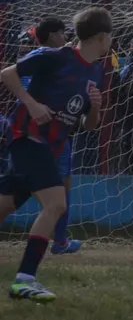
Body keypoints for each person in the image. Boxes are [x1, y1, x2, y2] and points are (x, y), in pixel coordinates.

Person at [0, 7, 111, 302]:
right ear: (101, 37)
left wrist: (96, 107)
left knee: (5, 205)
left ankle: (25, 279)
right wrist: (32, 105)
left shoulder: (96, 71)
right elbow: (8, 74)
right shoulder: (56, 56)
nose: (110, 41)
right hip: (27, 137)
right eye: (110, 36)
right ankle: (24, 279)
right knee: (56, 204)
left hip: (49, 148)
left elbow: (88, 124)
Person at [20, 18, 81, 255]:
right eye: (63, 33)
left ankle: (60, 240)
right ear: (54, 36)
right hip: (50, 130)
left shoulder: (34, 58)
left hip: (29, 130)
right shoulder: (54, 57)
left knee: (21, 186)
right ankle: (60, 240)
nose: (66, 37)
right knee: (60, 187)